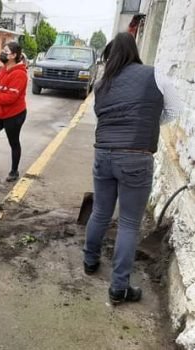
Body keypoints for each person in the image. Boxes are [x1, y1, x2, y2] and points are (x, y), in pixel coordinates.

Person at [83, 32, 181, 305]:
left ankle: (89, 262)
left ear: (111, 57)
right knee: (128, 223)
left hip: (103, 154)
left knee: (101, 212)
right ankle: (119, 287)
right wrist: (147, 121)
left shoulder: (102, 83)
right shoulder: (155, 74)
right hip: (136, 157)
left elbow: (101, 114)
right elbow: (175, 111)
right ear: (134, 51)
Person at [0, 42, 28, 182]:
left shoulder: (20, 75)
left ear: (14, 55)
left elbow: (9, 98)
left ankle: (14, 171)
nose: (2, 53)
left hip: (14, 114)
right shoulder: (3, 69)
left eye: (6, 51)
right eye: (3, 50)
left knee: (13, 142)